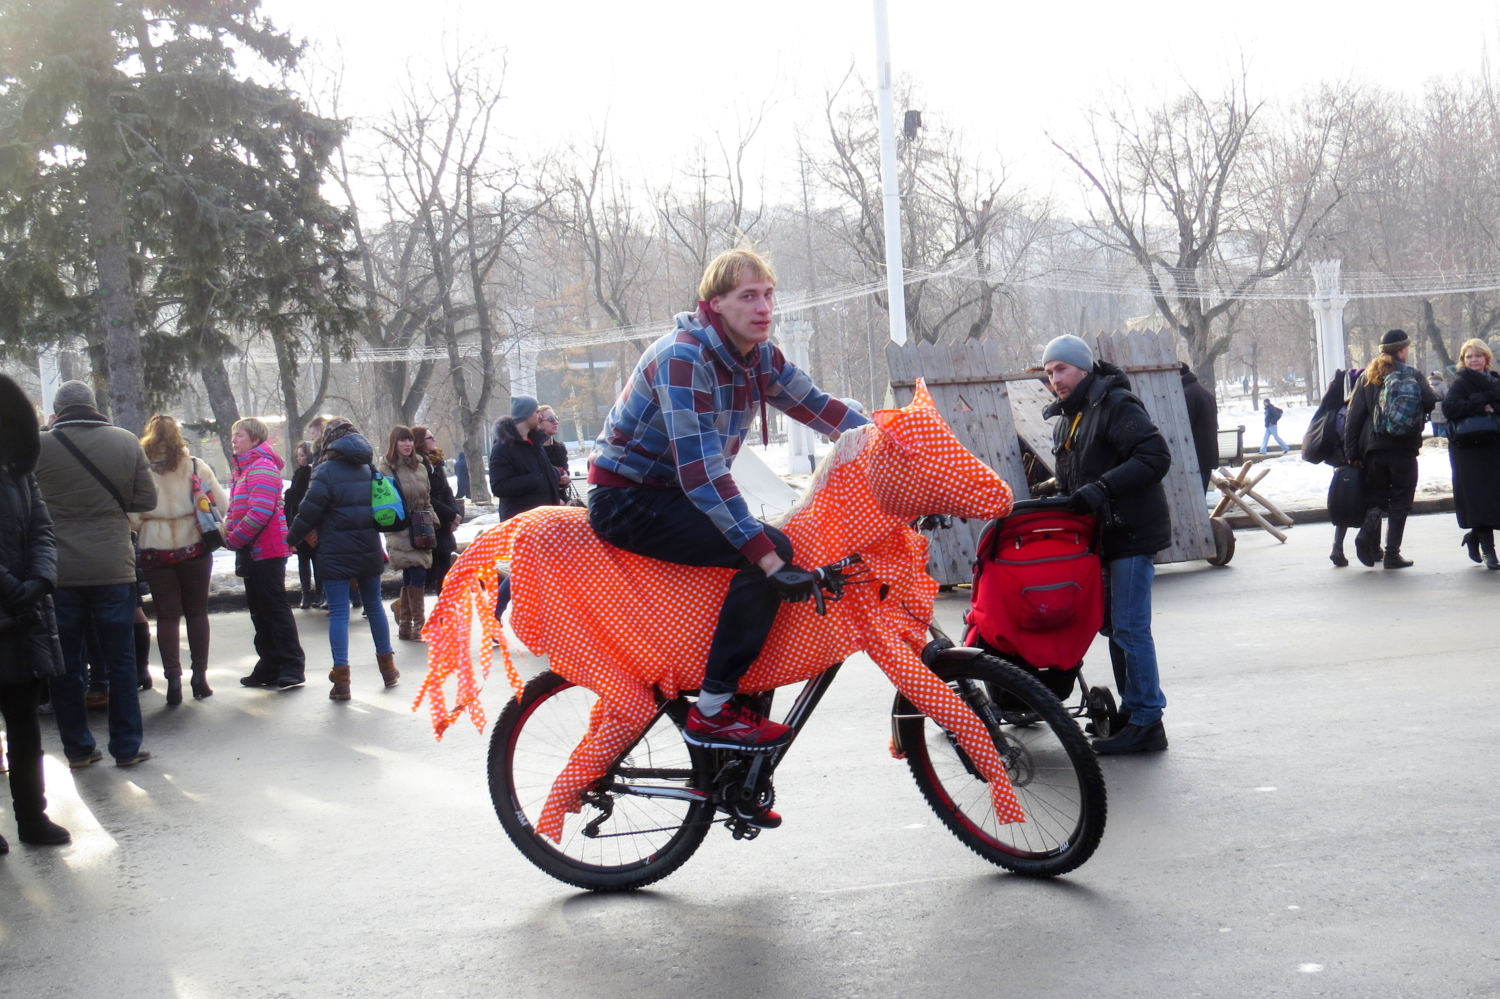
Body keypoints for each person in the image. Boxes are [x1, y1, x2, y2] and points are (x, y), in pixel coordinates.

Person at [588, 247, 868, 763]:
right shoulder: (683, 357)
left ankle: (737, 699)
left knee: (778, 549)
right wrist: (766, 556)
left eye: (768, 295)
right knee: (771, 551)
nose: (764, 308)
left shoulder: (759, 357)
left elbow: (822, 409)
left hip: (677, 495)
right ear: (714, 304)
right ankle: (711, 713)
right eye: (748, 296)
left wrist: (894, 444)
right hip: (628, 499)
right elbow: (702, 475)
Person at [1040, 335, 1172, 755]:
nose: (1054, 379)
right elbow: (1074, 478)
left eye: (1061, 369)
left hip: (1131, 532)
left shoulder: (1115, 405)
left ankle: (1148, 720)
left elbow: (1154, 458)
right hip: (1103, 537)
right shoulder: (1069, 418)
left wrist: (1101, 489)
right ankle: (1133, 714)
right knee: (1114, 627)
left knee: (1131, 627)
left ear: (1083, 368)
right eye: (1048, 372)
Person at [34, 380, 157, 768]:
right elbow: (146, 499)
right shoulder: (125, 441)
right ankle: (127, 746)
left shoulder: (39, 447)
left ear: (57, 411)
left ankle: (79, 749)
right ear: (94, 406)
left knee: (65, 663)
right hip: (112, 568)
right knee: (120, 660)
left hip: (59, 570)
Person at [0, 373, 71, 850]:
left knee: (25, 725)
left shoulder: (19, 473)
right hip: (14, 607)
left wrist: (41, 580)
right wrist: (11, 588)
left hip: (23, 620)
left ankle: (33, 818)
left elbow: (43, 530)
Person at [285, 419, 397, 698]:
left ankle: (342, 680)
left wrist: (291, 539)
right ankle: (389, 669)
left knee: (338, 612)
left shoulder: (325, 471)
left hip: (335, 552)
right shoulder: (368, 468)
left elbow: (308, 511)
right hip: (369, 549)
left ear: (330, 441)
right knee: (374, 607)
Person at [132, 414, 229, 704]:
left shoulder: (141, 471)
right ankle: (199, 676)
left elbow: (132, 517)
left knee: (167, 616)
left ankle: (173, 678)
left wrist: (148, 526)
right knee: (197, 612)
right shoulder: (196, 465)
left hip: (155, 549)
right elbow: (222, 505)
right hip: (194, 546)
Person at [1344, 329, 1438, 569]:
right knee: (1400, 499)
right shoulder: (1412, 374)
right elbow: (1429, 401)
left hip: (1374, 448)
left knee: (1376, 496)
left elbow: (1353, 416)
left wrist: (1352, 452)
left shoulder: (1367, 375)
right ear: (1402, 350)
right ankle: (1392, 553)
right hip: (1403, 447)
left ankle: (1365, 534)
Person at [225, 418, 306, 689]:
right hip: (251, 550)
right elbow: (234, 509)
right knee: (259, 610)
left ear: (255, 439)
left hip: (267, 550)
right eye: (233, 436)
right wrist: (228, 530)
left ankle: (292, 665)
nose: (234, 440)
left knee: (274, 608)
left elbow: (259, 512)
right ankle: (270, 664)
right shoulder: (242, 470)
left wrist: (234, 538)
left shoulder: (262, 467)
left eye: (239, 436)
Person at [1442, 340, 1500, 569]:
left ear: (1486, 358)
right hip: (1468, 450)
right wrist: (1480, 404)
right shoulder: (1460, 383)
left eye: (1477, 356)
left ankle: (1473, 537)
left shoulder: (1495, 380)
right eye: (1469, 357)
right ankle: (1489, 551)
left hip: (1494, 446)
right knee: (1478, 499)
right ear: (1463, 361)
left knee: (1494, 497)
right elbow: (1449, 408)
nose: (1473, 360)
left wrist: (1491, 405)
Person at [378, 426, 434, 641]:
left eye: (409, 440)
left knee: (413, 574)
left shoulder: (420, 467)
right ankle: (419, 625)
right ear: (394, 443)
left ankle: (405, 626)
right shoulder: (385, 470)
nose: (407, 444)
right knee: (416, 572)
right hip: (399, 526)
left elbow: (427, 498)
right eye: (402, 441)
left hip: (421, 527)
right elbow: (382, 503)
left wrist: (432, 521)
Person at [1309, 367, 1365, 567]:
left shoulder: (1339, 409)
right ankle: (1370, 546)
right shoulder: (1357, 409)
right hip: (1358, 464)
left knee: (1343, 506)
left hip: (1340, 467)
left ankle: (1337, 547)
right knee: (1371, 501)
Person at [490, 396, 565, 520]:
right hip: (521, 523)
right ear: (526, 414)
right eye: (536, 412)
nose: (540, 416)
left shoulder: (535, 442)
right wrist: (535, 479)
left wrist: (557, 473)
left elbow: (542, 472)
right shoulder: (503, 447)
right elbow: (499, 487)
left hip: (543, 520)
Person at [413, 425, 462, 595]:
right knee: (431, 572)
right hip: (431, 522)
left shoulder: (436, 462)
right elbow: (427, 496)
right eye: (429, 437)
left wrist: (455, 514)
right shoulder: (417, 466)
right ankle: (404, 604)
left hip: (444, 523)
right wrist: (450, 514)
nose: (434, 440)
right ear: (420, 441)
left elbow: (447, 490)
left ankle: (444, 613)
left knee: (444, 571)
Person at [284, 441, 321, 610]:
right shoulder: (298, 473)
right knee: (303, 560)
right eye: (298, 455)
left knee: (316, 560)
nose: (300, 458)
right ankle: (306, 593)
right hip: (298, 522)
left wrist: (290, 494)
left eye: (303, 454)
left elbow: (303, 497)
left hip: (311, 523)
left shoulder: (313, 472)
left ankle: (319, 593)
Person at [1180, 362, 1218, 491]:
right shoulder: (1202, 392)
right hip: (1206, 455)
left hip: (1195, 456)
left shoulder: (1187, 394)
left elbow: (1184, 427)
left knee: (1195, 498)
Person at [1428, 372, 1450, 438]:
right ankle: (1441, 440)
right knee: (1442, 424)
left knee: (1434, 424)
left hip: (1432, 407)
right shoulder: (1442, 385)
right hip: (1441, 406)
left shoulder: (1428, 385)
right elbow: (1448, 395)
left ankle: (1435, 437)